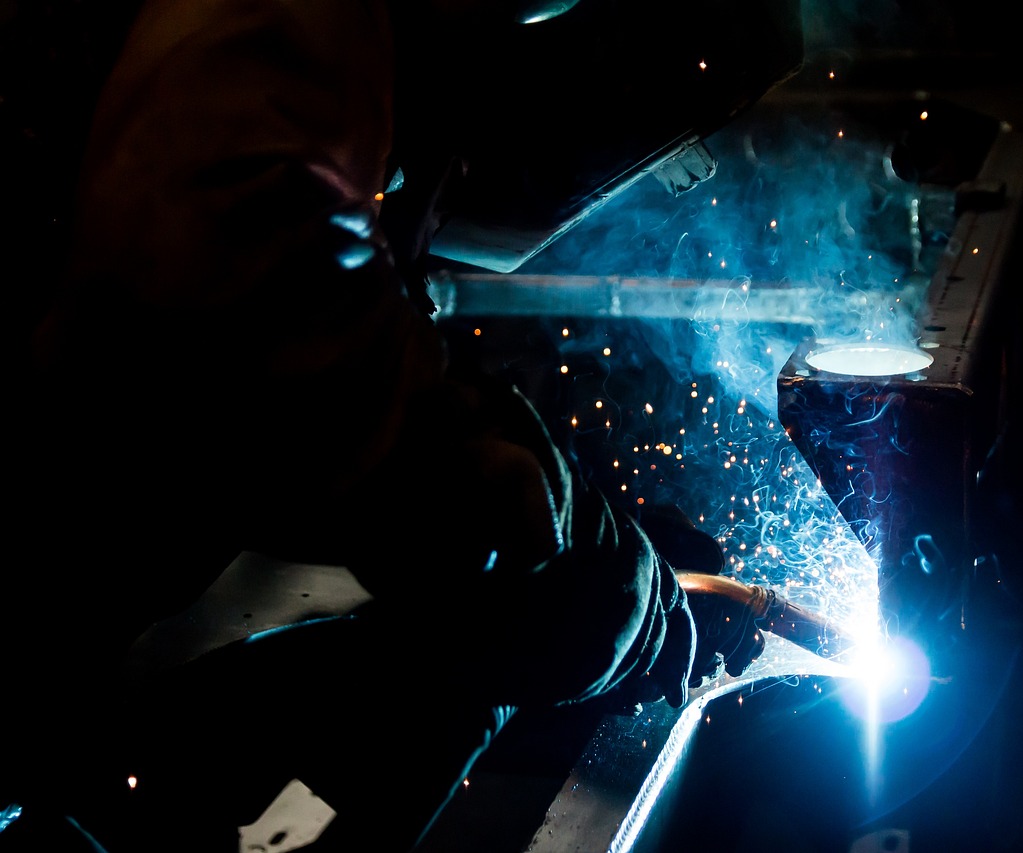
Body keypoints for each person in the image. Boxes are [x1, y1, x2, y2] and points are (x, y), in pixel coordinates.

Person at [2, 0, 773, 849]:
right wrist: (567, 542)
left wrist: (572, 524)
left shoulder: (360, 71)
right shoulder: (301, 28)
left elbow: (334, 347)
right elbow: (238, 290)